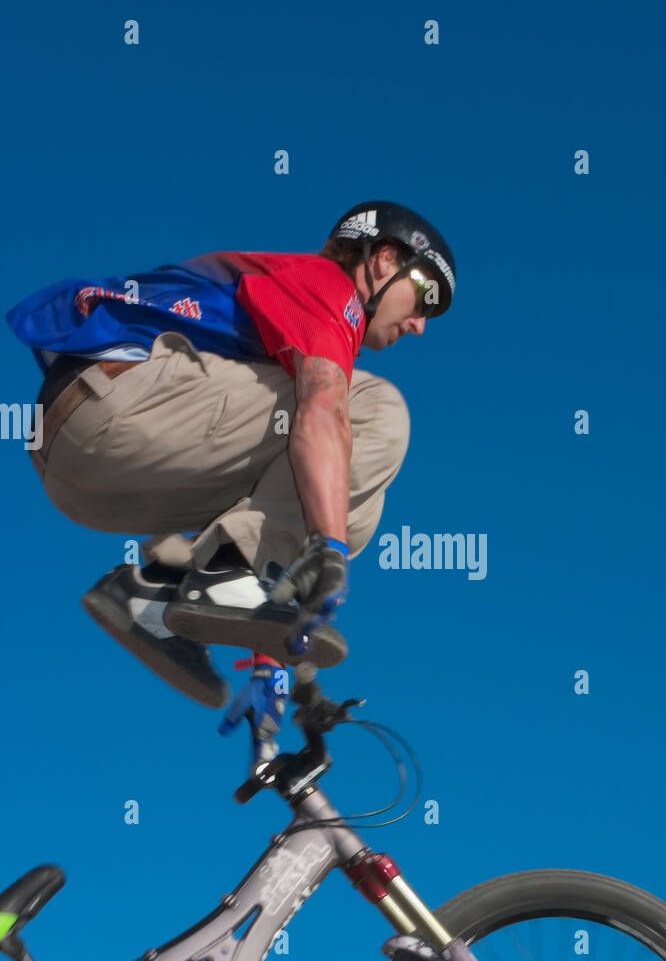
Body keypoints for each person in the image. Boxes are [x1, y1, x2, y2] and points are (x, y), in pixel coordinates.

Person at [6, 202, 456, 709]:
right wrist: (327, 547)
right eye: (427, 297)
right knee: (373, 414)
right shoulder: (327, 285)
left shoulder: (291, 310)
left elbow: (280, 497)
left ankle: (153, 593)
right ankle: (223, 572)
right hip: (117, 405)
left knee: (345, 498)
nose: (421, 324)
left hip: (79, 462)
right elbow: (323, 410)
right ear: (383, 259)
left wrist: (280, 661)